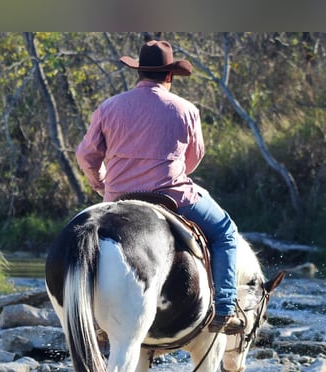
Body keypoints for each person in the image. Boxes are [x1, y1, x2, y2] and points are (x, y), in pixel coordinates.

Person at [76, 40, 243, 334]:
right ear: (169, 76)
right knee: (225, 232)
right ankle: (225, 309)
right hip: (172, 196)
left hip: (117, 198)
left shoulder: (109, 107)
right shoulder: (186, 109)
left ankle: (91, 313)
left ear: (139, 73)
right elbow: (193, 158)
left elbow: (86, 156)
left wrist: (101, 183)